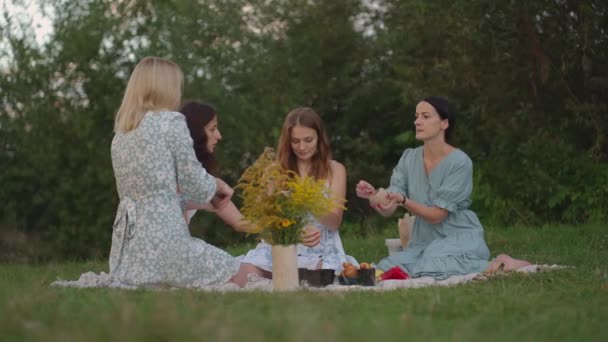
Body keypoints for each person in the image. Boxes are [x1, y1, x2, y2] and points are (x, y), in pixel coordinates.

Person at [107, 56, 250, 288]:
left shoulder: (120, 135)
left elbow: (154, 188)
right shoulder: (171, 122)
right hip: (166, 247)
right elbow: (193, 182)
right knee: (235, 271)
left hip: (127, 255)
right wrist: (217, 186)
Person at [356, 96, 531, 280]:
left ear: (444, 123)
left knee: (432, 265)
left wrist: (404, 201)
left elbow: (437, 216)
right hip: (422, 242)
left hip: (458, 235)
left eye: (425, 116)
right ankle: (440, 262)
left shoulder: (460, 162)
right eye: (416, 116)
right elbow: (389, 208)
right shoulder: (408, 158)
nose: (417, 121)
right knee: (386, 267)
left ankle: (501, 263)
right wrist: (375, 196)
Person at [239, 107, 358, 277]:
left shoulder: (335, 170)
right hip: (283, 245)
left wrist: (309, 201)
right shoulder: (275, 170)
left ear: (319, 138)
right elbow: (264, 221)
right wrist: (293, 232)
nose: (302, 147)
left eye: (308, 140)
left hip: (321, 250)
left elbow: (334, 222)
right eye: (295, 141)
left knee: (316, 277)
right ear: (287, 141)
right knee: (244, 273)